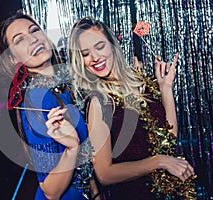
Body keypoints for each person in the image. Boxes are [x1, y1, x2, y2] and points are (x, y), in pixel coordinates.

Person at [68, 16, 195, 199]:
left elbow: (169, 141)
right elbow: (104, 174)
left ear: (112, 44)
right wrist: (157, 162)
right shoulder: (99, 102)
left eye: (99, 46)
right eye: (85, 53)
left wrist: (166, 88)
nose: (95, 58)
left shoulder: (143, 83)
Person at [0, 11, 94, 200]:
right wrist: (72, 149)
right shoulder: (37, 100)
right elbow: (50, 190)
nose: (33, 39)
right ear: (12, 59)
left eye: (34, 30)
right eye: (19, 40)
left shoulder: (61, 86)